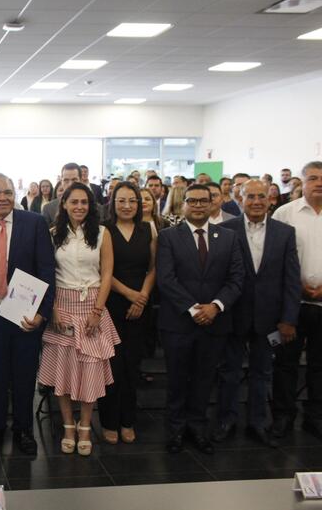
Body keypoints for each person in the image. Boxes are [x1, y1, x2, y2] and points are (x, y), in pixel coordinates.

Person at [0, 173, 55, 455]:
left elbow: (46, 270)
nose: (3, 198)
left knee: (24, 376)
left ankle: (24, 431)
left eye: (7, 192)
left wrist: (42, 313)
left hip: (25, 315)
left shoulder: (34, 223)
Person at [156, 184, 244, 455]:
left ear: (212, 204)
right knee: (177, 379)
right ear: (183, 205)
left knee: (205, 379)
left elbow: (236, 278)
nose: (197, 205)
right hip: (178, 323)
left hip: (215, 322)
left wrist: (215, 307)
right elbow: (166, 279)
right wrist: (194, 309)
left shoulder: (228, 237)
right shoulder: (168, 236)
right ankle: (175, 431)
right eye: (191, 201)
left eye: (203, 201)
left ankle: (197, 427)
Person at [214, 180, 301, 448]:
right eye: (250, 196)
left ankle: (258, 422)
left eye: (261, 196)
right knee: (229, 371)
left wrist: (288, 318)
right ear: (239, 199)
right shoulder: (224, 231)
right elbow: (219, 277)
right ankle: (226, 421)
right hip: (233, 314)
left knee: (262, 373)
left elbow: (291, 279)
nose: (256, 201)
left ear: (270, 199)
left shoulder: (285, 233)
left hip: (269, 318)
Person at [39, 182, 118, 456]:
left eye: (84, 202)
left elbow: (107, 273)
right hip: (62, 304)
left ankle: (85, 424)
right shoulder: (52, 234)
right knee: (63, 369)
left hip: (92, 305)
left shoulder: (103, 233)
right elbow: (48, 274)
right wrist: (53, 308)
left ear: (91, 205)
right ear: (64, 204)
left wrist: (98, 311)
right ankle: (67, 424)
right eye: (74, 202)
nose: (79, 207)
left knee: (90, 370)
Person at [95, 182, 157, 445]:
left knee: (132, 367)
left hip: (139, 308)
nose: (127, 205)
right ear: (113, 202)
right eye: (121, 200)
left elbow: (153, 268)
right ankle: (108, 422)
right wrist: (130, 294)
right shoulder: (103, 230)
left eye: (132, 200)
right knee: (111, 366)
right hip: (111, 303)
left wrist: (141, 297)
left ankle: (127, 421)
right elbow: (102, 270)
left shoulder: (148, 229)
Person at [271, 162, 322, 439]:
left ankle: (315, 417)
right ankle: (283, 416)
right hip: (292, 305)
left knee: (319, 366)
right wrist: (297, 288)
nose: (319, 183)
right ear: (301, 182)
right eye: (313, 178)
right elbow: (273, 260)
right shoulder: (285, 213)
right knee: (286, 364)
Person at [43, 163, 82, 227]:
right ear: (61, 182)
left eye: (74, 180)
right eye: (66, 180)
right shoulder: (48, 208)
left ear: (80, 180)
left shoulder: (94, 207)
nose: (70, 184)